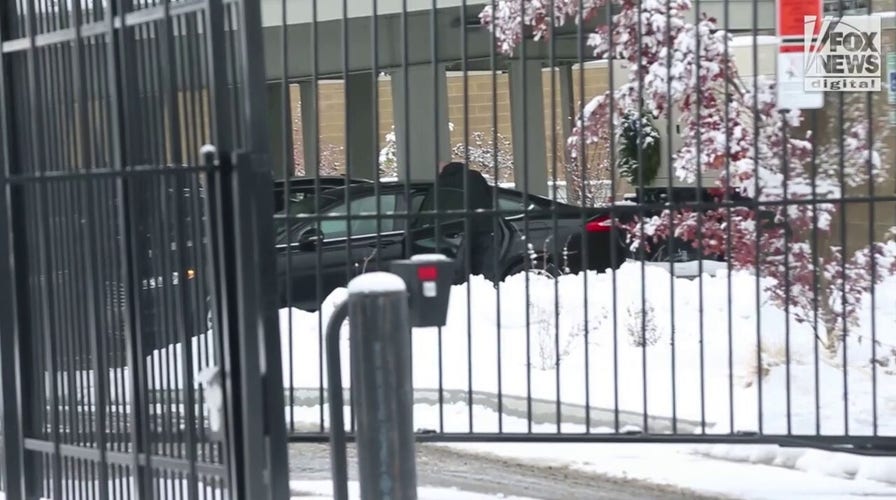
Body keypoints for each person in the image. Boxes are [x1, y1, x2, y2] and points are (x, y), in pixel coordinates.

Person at [431, 161, 497, 282]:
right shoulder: (475, 176)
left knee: (462, 263)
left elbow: (439, 205)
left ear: (443, 170)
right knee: (484, 262)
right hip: (484, 225)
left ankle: (462, 285)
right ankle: (485, 283)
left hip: (459, 228)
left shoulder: (443, 182)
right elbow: (490, 195)